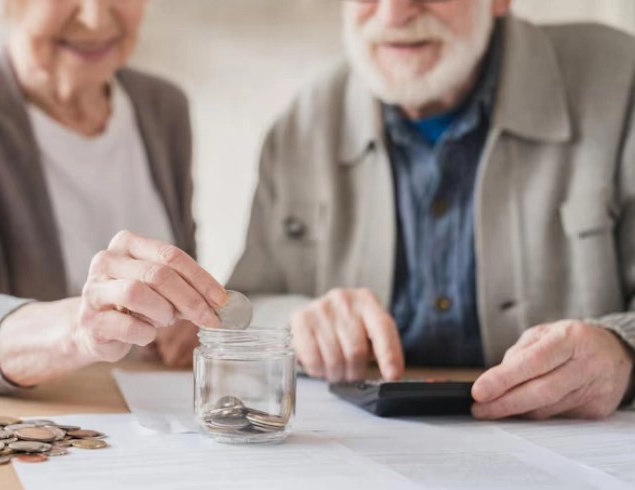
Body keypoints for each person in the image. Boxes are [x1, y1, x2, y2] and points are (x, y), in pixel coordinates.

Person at [228, 0, 635, 420]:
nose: (393, 14)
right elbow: (238, 309)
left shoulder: (620, 81)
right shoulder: (302, 123)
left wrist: (622, 348)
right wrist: (297, 322)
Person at [0, 0, 222, 394]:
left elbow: (179, 280)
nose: (96, 18)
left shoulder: (164, 108)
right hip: (38, 425)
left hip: (154, 417)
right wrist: (79, 331)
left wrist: (182, 316)